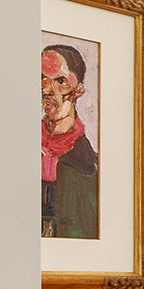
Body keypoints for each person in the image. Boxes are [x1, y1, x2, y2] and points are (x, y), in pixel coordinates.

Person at [41, 43, 98, 239]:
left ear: (78, 90)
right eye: (41, 78)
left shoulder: (90, 168)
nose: (47, 89)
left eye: (60, 80)